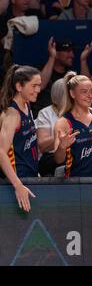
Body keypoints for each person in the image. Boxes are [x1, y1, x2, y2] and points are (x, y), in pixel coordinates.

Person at [0, 65, 41, 213]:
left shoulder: (27, 105)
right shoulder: (12, 115)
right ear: (19, 86)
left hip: (30, 177)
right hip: (16, 182)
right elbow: (1, 152)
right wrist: (17, 185)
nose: (38, 90)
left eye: (39, 85)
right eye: (34, 86)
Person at [35, 77, 65, 176]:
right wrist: (64, 136)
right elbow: (43, 145)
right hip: (51, 157)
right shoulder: (45, 113)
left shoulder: (79, 111)